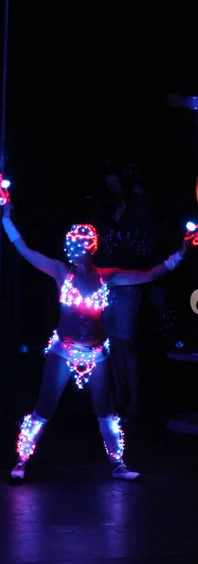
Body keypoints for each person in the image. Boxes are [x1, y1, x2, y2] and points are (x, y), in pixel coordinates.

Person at [1, 202, 189, 483]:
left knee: (106, 409)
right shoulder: (59, 270)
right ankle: (21, 460)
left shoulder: (107, 276)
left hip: (98, 354)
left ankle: (118, 464)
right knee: (44, 406)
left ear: (91, 247)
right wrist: (6, 218)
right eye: (72, 244)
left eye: (81, 243)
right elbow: (24, 249)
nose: (75, 248)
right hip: (63, 352)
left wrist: (181, 253)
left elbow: (149, 274)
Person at [91, 161, 160, 421]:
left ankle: (132, 401)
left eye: (115, 183)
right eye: (108, 184)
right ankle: (118, 399)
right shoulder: (108, 211)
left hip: (128, 282)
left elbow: (145, 245)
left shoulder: (139, 209)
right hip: (107, 281)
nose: (111, 189)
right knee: (112, 344)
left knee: (125, 344)